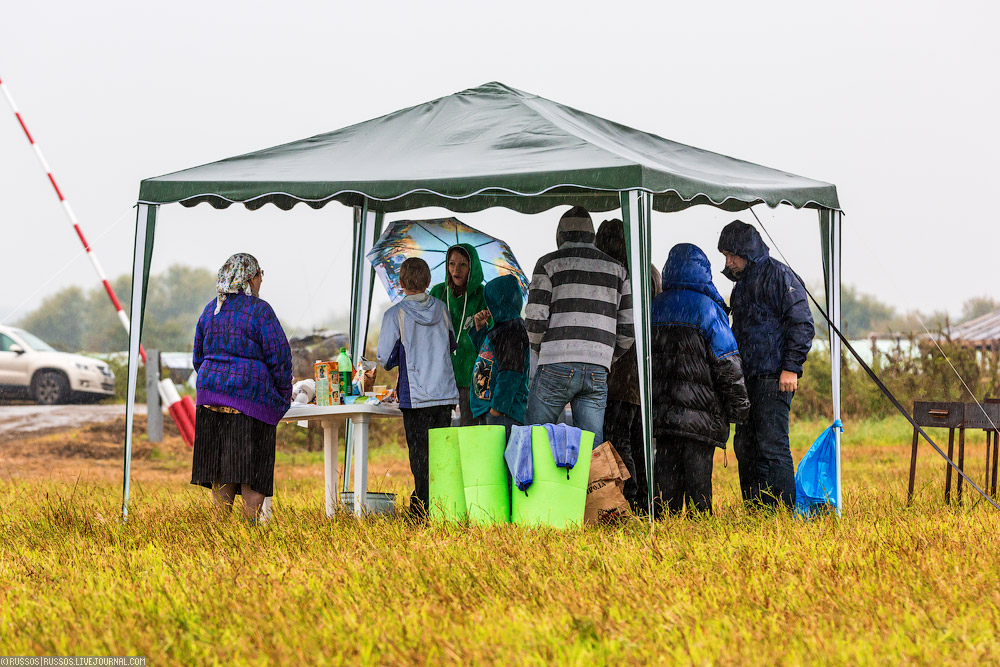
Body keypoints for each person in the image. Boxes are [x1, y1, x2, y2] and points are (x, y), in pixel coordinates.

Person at [718, 220, 814, 510]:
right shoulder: (742, 284)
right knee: (745, 446)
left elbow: (802, 324)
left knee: (772, 445)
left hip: (775, 377)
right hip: (746, 379)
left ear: (747, 250)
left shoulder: (781, 277)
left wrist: (791, 368)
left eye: (732, 254)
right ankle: (756, 508)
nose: (728, 261)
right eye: (725, 255)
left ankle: (782, 509)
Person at [191, 253, 292, 522]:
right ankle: (249, 526)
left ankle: (220, 524)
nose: (261, 280)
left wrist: (216, 382)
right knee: (252, 467)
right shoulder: (259, 310)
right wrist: (282, 395)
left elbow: (198, 357)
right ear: (249, 278)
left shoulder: (211, 309)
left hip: (210, 398)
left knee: (223, 466)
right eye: (260, 274)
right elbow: (279, 356)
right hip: (249, 398)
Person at [650, 244, 750, 516]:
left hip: (664, 415)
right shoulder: (708, 309)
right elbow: (727, 361)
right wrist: (739, 408)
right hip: (701, 418)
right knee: (698, 483)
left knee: (665, 481)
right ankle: (700, 531)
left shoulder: (654, 307)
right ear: (703, 272)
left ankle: (662, 530)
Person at [524, 206, 634, 444]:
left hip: (555, 364)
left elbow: (535, 322)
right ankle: (591, 482)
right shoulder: (617, 270)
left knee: (533, 440)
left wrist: (541, 350)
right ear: (592, 236)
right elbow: (628, 328)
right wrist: (605, 356)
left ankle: (536, 482)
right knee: (593, 449)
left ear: (559, 236)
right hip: (597, 368)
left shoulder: (548, 264)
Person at [378, 257, 459, 517]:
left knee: (420, 456)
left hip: (416, 397)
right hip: (444, 394)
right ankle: (438, 506)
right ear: (429, 282)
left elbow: (384, 357)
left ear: (400, 283)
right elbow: (452, 343)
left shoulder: (395, 314)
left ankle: (422, 509)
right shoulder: (442, 309)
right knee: (440, 455)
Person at [594, 218, 662, 512]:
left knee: (618, 437)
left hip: (621, 367)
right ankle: (650, 499)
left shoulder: (620, 272)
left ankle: (630, 498)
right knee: (640, 439)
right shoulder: (650, 270)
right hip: (645, 367)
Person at [429, 244, 488, 426]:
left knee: (470, 428)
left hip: (473, 372)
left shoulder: (482, 294)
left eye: (463, 264)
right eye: (452, 263)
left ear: (472, 267)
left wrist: (481, 325)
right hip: (443, 372)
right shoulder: (438, 292)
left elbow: (490, 338)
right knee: (440, 428)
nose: (456, 269)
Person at [468, 275, 530, 440]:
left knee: (501, 463)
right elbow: (488, 354)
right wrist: (481, 329)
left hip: (503, 413)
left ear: (498, 302)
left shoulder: (512, 331)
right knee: (492, 462)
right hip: (491, 409)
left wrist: (497, 408)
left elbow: (511, 372)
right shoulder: (501, 328)